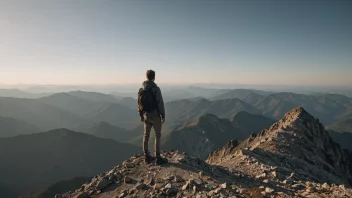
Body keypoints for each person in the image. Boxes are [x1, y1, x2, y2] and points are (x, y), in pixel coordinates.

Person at [138, 70, 167, 165]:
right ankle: (158, 157)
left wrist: (141, 114)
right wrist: (163, 114)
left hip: (146, 115)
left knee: (146, 135)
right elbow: (160, 103)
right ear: (154, 77)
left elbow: (139, 103)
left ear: (146, 77)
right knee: (157, 135)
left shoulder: (142, 89)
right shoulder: (155, 89)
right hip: (155, 115)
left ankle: (146, 156)